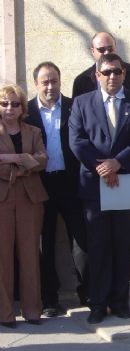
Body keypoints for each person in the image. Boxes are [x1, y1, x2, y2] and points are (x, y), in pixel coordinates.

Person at [69, 53, 130, 324]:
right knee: (98, 246)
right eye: (106, 72)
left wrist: (118, 162)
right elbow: (77, 140)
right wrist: (102, 166)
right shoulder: (82, 103)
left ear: (124, 73)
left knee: (124, 244)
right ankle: (98, 302)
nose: (112, 77)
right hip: (95, 184)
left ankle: (120, 301)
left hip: (127, 180)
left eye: (117, 71)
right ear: (97, 75)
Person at [26, 62, 89, 316]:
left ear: (61, 81)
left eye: (54, 81)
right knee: (46, 243)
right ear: (36, 84)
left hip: (72, 183)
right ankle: (50, 299)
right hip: (40, 185)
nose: (50, 86)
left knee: (82, 240)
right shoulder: (27, 111)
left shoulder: (76, 106)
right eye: (45, 82)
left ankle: (88, 293)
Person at [0, 84, 48, 328]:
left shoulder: (33, 131)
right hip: (3, 197)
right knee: (3, 257)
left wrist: (10, 159)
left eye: (15, 103)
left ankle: (32, 310)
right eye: (5, 103)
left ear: (22, 108)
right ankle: (5, 313)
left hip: (30, 198)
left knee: (29, 254)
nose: (10, 108)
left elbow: (42, 160)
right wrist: (22, 161)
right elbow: (31, 161)